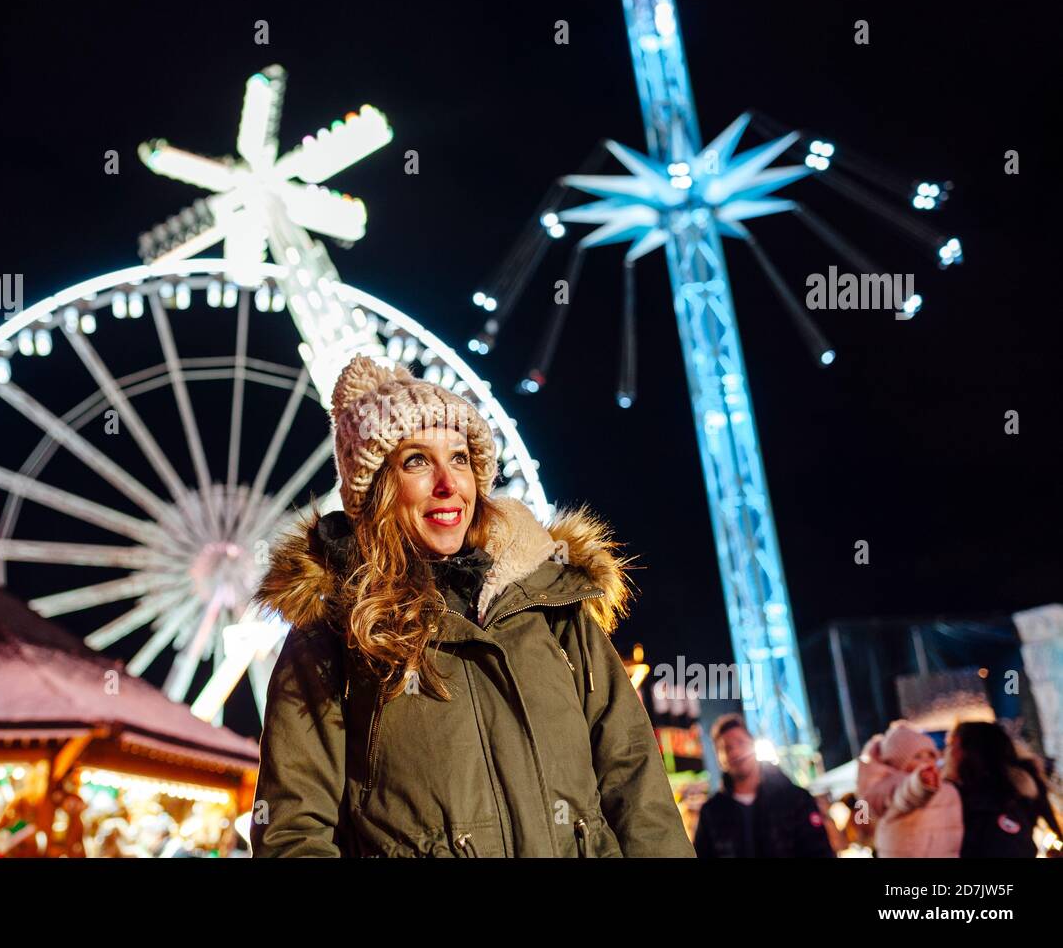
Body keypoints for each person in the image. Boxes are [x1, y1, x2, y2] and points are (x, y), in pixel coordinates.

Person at [249, 354, 694, 857]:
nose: (448, 483)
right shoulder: (331, 635)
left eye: (459, 457)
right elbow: (292, 833)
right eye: (417, 460)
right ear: (374, 488)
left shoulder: (553, 604)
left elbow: (635, 781)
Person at [692, 713, 835, 857]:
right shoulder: (711, 813)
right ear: (719, 759)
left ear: (753, 744)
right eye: (727, 748)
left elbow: (820, 850)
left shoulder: (795, 799)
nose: (735, 752)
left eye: (740, 742)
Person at [946, 720, 1062, 858]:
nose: (948, 753)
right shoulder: (979, 801)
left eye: (953, 745)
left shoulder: (994, 807)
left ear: (969, 753)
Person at [855, 720, 962, 857]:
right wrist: (919, 783)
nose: (926, 760)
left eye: (930, 754)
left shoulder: (942, 783)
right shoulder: (893, 785)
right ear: (898, 763)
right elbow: (905, 795)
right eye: (917, 756)